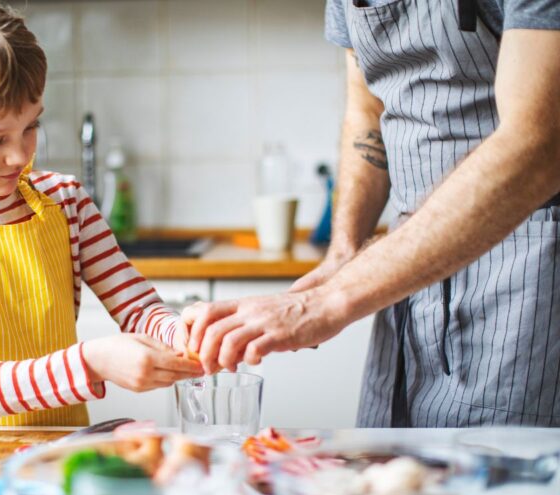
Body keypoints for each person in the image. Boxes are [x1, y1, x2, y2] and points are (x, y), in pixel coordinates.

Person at [183, 0, 560, 428]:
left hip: (524, 281)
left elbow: (539, 144)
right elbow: (367, 111)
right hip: (404, 283)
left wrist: (324, 304)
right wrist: (342, 254)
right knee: (390, 475)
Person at [0, 0, 201, 427]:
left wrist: (188, 335)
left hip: (63, 445)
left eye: (31, 127)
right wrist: (93, 361)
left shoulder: (66, 201)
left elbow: (138, 308)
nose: (20, 154)